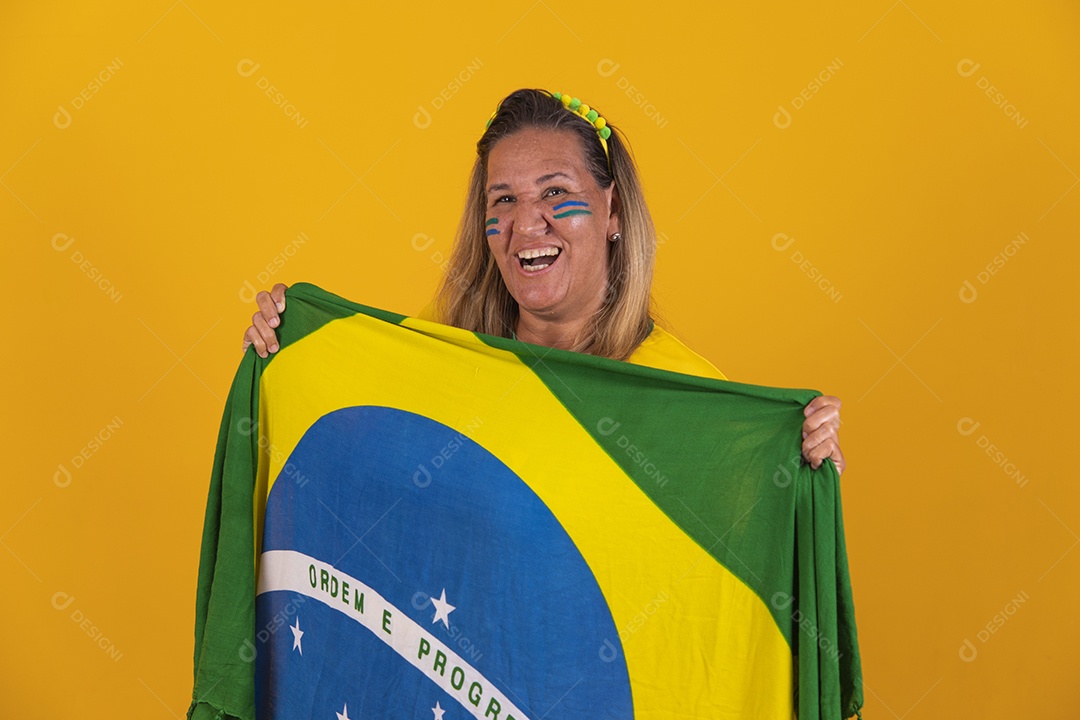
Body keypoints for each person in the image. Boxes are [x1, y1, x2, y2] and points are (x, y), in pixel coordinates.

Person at [241, 88, 845, 474]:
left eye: (556, 193)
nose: (526, 224)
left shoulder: (682, 392)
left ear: (612, 212)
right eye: (502, 199)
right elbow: (356, 453)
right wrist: (291, 346)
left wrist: (791, 466)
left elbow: (731, 555)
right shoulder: (439, 348)